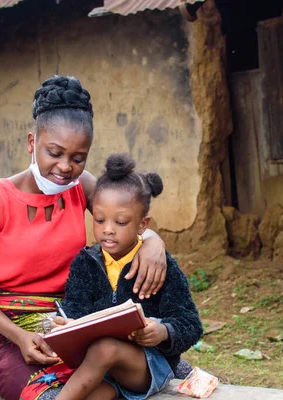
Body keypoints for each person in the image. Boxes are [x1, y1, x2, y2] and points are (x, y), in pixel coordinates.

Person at [0, 76, 169, 400]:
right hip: (9, 338)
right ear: (32, 142)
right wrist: (18, 336)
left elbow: (125, 217)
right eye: (54, 153)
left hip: (73, 327)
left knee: (124, 383)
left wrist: (154, 242)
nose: (65, 167)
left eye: (78, 158)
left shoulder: (81, 186)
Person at [53, 153, 203, 400]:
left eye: (121, 222)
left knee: (105, 349)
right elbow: (74, 309)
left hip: (146, 366)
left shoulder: (158, 265)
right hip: (101, 371)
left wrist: (164, 331)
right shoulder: (86, 262)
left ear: (143, 225)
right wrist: (69, 324)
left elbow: (190, 323)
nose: (108, 229)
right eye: (99, 219)